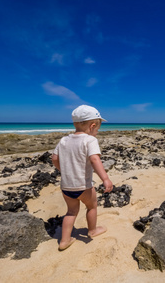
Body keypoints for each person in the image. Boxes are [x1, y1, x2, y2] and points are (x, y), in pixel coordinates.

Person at [52, 105, 113, 251]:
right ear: (92, 126)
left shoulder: (64, 140)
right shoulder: (90, 140)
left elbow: (54, 158)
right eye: (98, 128)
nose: (97, 131)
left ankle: (64, 241)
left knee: (71, 212)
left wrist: (64, 170)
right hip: (83, 186)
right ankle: (92, 230)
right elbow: (94, 160)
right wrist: (105, 178)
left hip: (66, 186)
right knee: (91, 206)